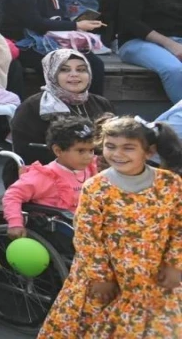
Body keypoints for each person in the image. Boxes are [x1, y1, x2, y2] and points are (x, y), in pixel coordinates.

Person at [39, 116, 182, 338]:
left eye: (128, 148)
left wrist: (175, 264)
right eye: (110, 146)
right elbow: (87, 237)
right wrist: (101, 277)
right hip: (108, 277)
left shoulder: (170, 184)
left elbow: (178, 227)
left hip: (153, 276)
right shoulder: (96, 188)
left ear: (149, 152)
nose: (117, 154)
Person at [3, 115, 98, 238]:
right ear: (58, 151)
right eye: (81, 151)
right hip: (59, 229)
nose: (88, 156)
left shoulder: (91, 168)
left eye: (91, 150)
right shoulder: (45, 176)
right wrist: (15, 222)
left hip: (89, 223)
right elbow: (13, 195)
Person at [118, 0, 182, 107]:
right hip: (138, 41)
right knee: (174, 70)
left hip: (177, 40)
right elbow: (130, 21)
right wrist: (170, 44)